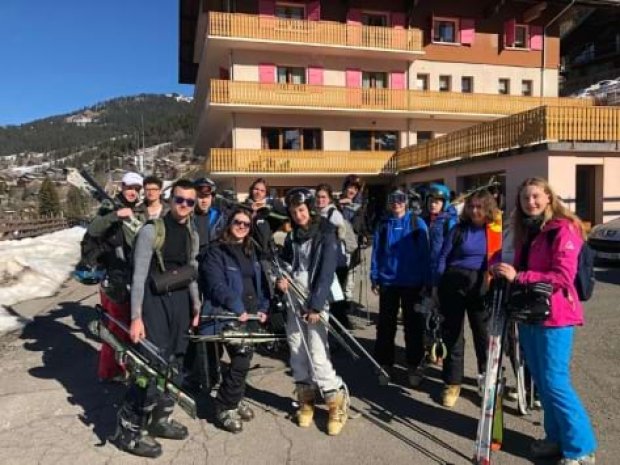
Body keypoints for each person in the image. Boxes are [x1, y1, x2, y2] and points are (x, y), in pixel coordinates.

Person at [492, 177, 596, 465]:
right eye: (525, 198)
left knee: (555, 382)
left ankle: (581, 447)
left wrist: (520, 277)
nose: (531, 203)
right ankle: (556, 438)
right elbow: (512, 258)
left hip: (557, 316)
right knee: (540, 379)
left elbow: (562, 277)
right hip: (530, 314)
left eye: (536, 197)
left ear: (549, 197)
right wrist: (497, 265)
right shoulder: (527, 229)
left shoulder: (563, 229)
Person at [112, 179, 201, 458]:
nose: (184, 205)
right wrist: (136, 317)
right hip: (153, 304)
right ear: (169, 200)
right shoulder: (151, 231)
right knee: (147, 370)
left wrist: (196, 305)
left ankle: (160, 419)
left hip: (180, 306)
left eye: (189, 201)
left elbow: (191, 271)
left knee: (173, 366)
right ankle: (128, 432)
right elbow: (138, 276)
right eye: (179, 199)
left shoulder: (192, 233)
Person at [276, 188, 349, 436]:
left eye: (302, 210)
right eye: (294, 212)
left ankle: (335, 401)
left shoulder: (326, 233)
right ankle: (306, 399)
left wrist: (316, 305)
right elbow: (286, 263)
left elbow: (327, 271)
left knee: (318, 353)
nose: (299, 216)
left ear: (310, 208)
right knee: (297, 349)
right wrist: (281, 278)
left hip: (314, 300)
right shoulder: (292, 237)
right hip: (293, 298)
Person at [199, 208, 270, 433]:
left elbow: (259, 282)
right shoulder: (216, 251)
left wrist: (263, 307)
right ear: (229, 223)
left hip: (250, 315)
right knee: (240, 361)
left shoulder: (251, 249)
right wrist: (236, 306)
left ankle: (234, 398)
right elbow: (216, 284)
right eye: (237, 222)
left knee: (243, 361)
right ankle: (225, 406)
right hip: (227, 314)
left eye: (246, 224)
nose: (241, 227)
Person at [435, 190, 499, 408]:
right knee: (452, 334)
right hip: (453, 282)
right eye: (471, 206)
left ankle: (486, 380)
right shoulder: (458, 229)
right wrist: (438, 284)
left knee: (483, 335)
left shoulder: (495, 231)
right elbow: (443, 256)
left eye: (479, 207)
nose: (474, 211)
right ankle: (452, 382)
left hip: (481, 284)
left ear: (488, 208)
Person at [87, 171, 145, 381]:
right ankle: (110, 371)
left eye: (137, 189)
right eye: (130, 188)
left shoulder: (140, 210)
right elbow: (93, 229)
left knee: (133, 325)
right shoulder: (110, 207)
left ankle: (129, 366)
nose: (133, 192)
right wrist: (115, 216)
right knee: (115, 326)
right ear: (122, 187)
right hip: (113, 276)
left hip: (133, 275)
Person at [370, 189, 431, 387]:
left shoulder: (416, 223)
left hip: (412, 283)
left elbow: (425, 255)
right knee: (385, 326)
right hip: (388, 282)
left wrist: (427, 282)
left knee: (413, 326)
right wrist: (375, 276)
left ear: (406, 202)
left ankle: (414, 365)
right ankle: (385, 364)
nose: (396, 203)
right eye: (392, 199)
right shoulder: (384, 225)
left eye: (400, 199)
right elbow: (377, 252)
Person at [315, 183, 357, 330]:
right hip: (324, 260)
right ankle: (335, 325)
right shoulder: (318, 213)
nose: (320, 200)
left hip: (337, 262)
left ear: (329, 198)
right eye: (318, 197)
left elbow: (343, 236)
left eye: (323, 197)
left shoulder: (334, 214)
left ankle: (342, 326)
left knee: (336, 297)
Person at [193, 177, 224, 255]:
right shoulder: (187, 217)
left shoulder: (219, 217)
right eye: (200, 197)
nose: (204, 201)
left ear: (212, 198)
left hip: (213, 260)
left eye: (207, 197)